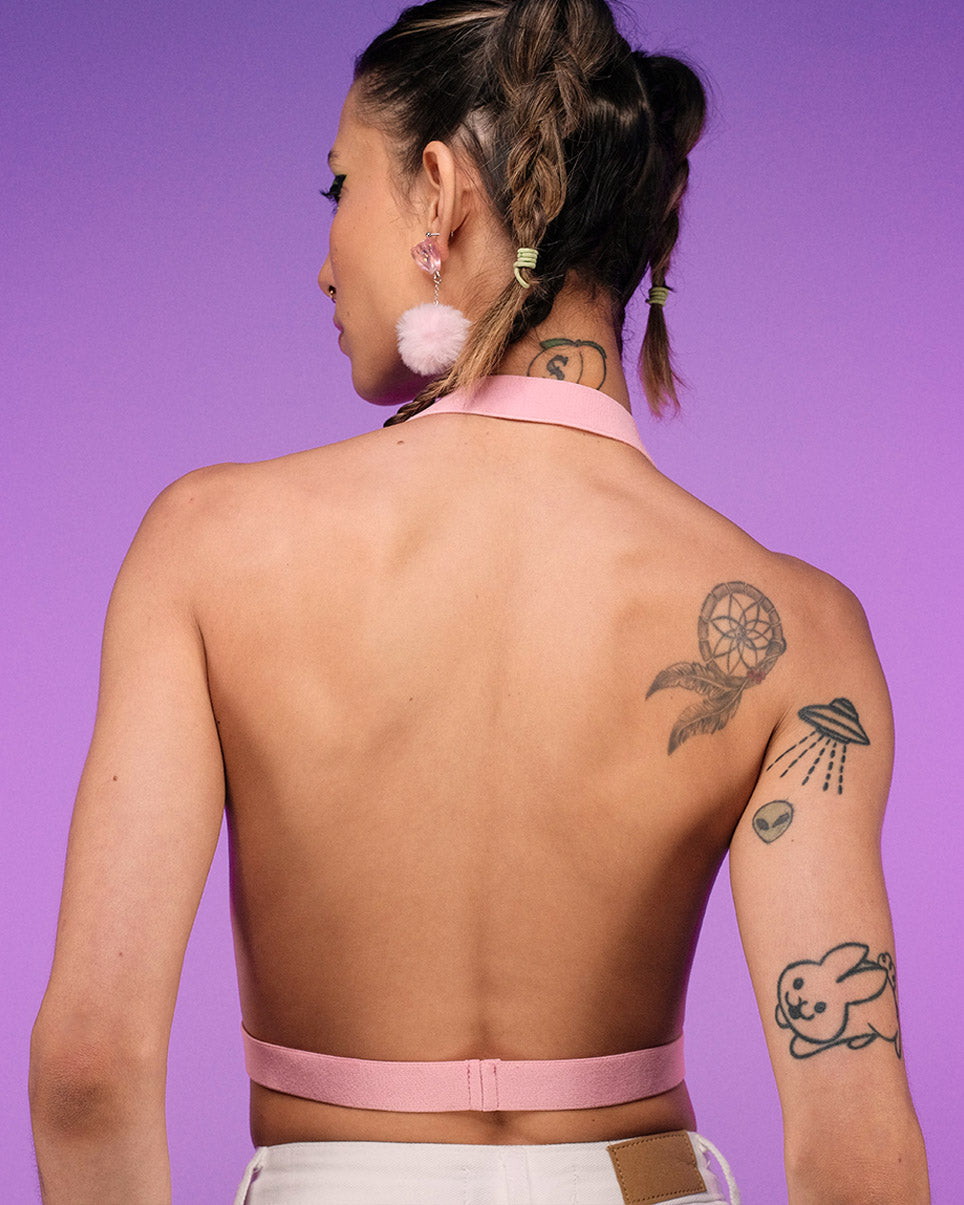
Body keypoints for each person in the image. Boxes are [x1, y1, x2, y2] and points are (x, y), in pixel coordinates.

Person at [29, 0, 929, 1201]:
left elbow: (88, 1067)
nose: (324, 257)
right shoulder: (802, 629)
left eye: (338, 185)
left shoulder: (207, 546)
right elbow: (855, 1151)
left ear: (441, 191)